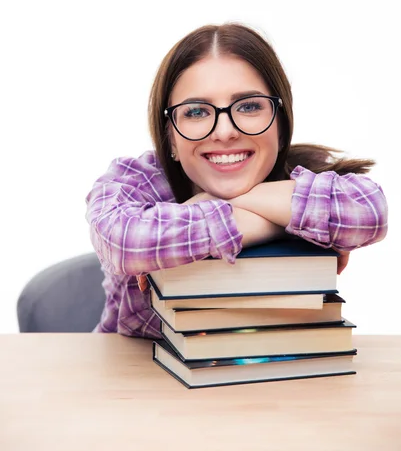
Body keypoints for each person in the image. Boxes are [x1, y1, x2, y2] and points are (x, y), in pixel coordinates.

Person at [85, 23, 388, 337]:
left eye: (249, 106)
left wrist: (219, 203)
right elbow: (122, 242)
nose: (225, 131)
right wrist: (276, 219)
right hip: (132, 374)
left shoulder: (304, 174)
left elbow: (369, 213)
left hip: (276, 375)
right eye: (197, 112)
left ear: (281, 125)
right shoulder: (137, 179)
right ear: (171, 138)